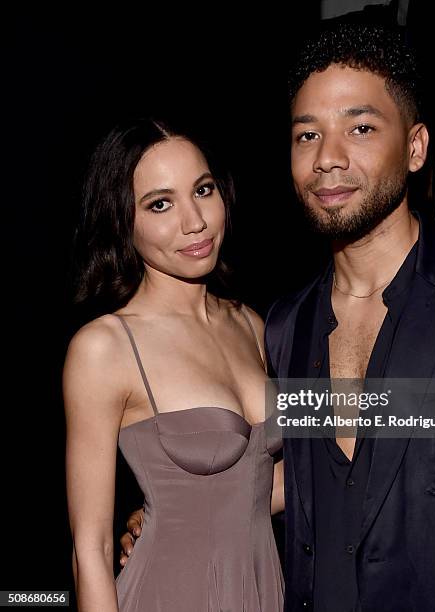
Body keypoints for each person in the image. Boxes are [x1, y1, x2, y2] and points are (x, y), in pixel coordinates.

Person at [120, 22, 435, 611]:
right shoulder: (285, 325)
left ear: (415, 147)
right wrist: (186, 512)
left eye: (360, 128)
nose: (328, 158)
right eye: (308, 135)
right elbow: (305, 474)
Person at [63, 118, 285, 612]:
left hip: (261, 591)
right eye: (160, 204)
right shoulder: (104, 347)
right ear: (122, 220)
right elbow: (91, 550)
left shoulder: (251, 324)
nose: (194, 221)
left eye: (202, 190)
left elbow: (262, 482)